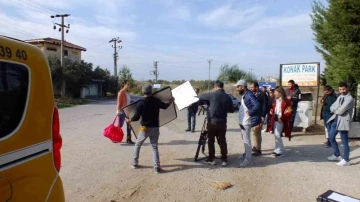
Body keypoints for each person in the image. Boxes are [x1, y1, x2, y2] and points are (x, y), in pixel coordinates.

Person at [126, 84, 175, 173]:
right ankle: (157, 167)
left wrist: (130, 120)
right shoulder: (156, 101)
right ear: (151, 91)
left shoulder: (140, 103)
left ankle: (134, 163)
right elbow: (165, 106)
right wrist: (171, 101)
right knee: (154, 147)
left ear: (143, 92)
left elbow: (136, 117)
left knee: (138, 144)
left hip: (144, 129)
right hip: (155, 128)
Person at [198, 80, 235, 166]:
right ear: (222, 86)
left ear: (216, 87)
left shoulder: (212, 94)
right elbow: (232, 110)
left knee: (211, 140)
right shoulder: (227, 97)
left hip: (212, 122)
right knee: (222, 141)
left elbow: (200, 97)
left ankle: (212, 159)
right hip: (222, 123)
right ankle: (224, 159)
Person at [233, 80, 261, 167]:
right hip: (242, 121)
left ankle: (248, 160)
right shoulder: (245, 95)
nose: (237, 89)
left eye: (238, 87)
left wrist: (250, 112)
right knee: (245, 140)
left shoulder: (249, 95)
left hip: (246, 122)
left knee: (247, 141)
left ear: (243, 87)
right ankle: (246, 155)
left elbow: (257, 105)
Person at [327, 82, 354, 166]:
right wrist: (336, 109)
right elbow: (332, 106)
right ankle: (337, 155)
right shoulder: (340, 97)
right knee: (331, 137)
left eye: (343, 89)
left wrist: (336, 109)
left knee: (344, 140)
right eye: (340, 89)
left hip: (343, 121)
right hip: (336, 119)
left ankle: (346, 160)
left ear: (347, 88)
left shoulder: (349, 98)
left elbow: (340, 110)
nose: (342, 91)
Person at [268, 86, 292, 157]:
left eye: (275, 92)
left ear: (280, 92)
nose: (274, 93)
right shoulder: (276, 100)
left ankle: (281, 151)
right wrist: (271, 111)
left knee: (277, 134)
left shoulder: (286, 101)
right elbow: (273, 108)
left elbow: (289, 111)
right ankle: (276, 149)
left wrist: (282, 118)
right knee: (276, 134)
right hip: (275, 119)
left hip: (281, 120)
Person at [249, 82, 269, 156]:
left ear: (256, 87)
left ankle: (258, 149)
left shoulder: (262, 94)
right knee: (254, 132)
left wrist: (263, 116)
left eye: (252, 87)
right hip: (254, 116)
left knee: (257, 132)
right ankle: (255, 146)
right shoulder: (252, 95)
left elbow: (265, 106)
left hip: (260, 116)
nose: (251, 89)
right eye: (250, 87)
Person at [116, 80, 134, 144]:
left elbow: (128, 101)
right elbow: (119, 102)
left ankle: (128, 139)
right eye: (128, 84)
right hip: (122, 111)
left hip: (128, 111)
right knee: (120, 124)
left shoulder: (127, 93)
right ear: (124, 84)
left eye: (129, 84)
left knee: (129, 125)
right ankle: (115, 137)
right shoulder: (121, 92)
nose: (129, 85)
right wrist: (118, 111)